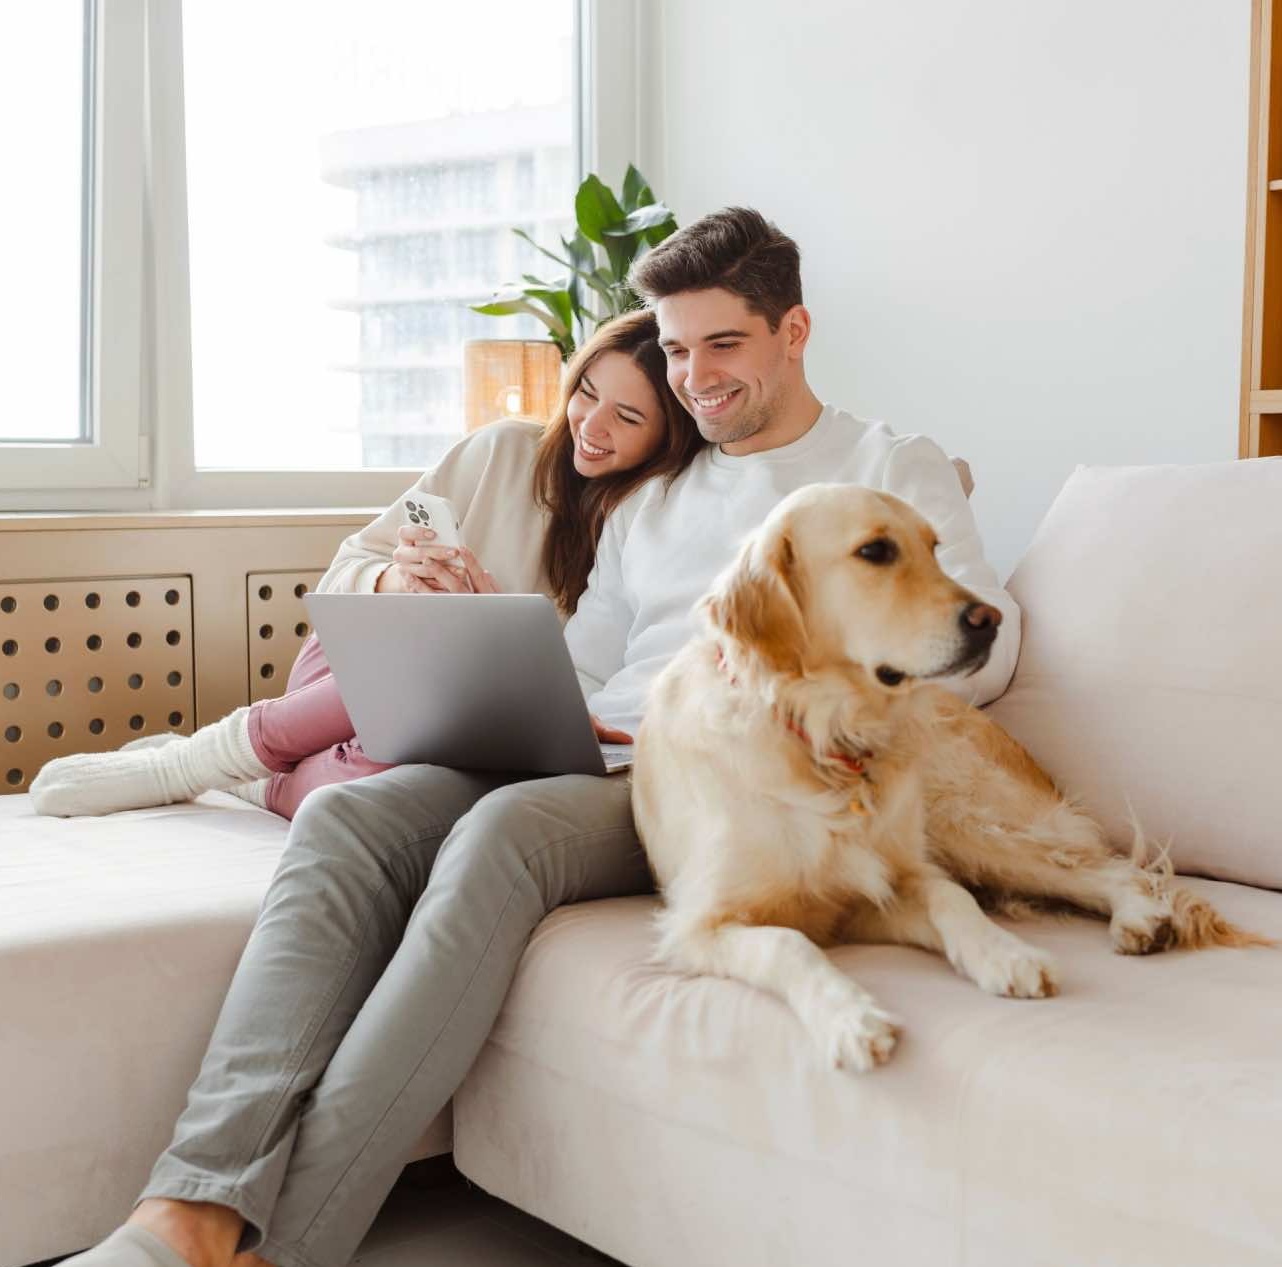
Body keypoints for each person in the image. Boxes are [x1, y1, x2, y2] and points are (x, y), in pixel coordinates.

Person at [62, 207, 1020, 1267]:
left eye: (723, 344)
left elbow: (986, 646)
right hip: (598, 751)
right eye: (676, 349)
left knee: (506, 832)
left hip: (735, 783)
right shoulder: (658, 496)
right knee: (348, 817)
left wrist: (797, 686)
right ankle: (186, 1208)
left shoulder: (889, 466)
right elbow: (591, 665)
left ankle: (277, 1250)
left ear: (793, 332)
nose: (695, 376)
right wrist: (501, 657)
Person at [29, 309, 700, 821]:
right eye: (586, 392)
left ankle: (255, 780)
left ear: (668, 435)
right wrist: (397, 580)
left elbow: (569, 688)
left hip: (441, 728)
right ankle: (186, 763)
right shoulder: (501, 452)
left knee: (386, 796)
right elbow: (345, 571)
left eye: (626, 416)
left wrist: (491, 635)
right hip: (347, 671)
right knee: (424, 656)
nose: (591, 424)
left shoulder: (649, 522)